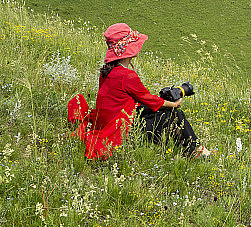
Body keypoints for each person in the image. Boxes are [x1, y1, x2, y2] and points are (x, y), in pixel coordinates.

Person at [74, 22, 211, 160]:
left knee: (160, 113)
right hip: (123, 129)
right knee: (175, 115)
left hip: (109, 121)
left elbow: (127, 100)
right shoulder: (127, 76)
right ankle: (196, 151)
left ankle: (189, 148)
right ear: (128, 50)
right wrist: (174, 104)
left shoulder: (106, 72)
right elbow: (149, 99)